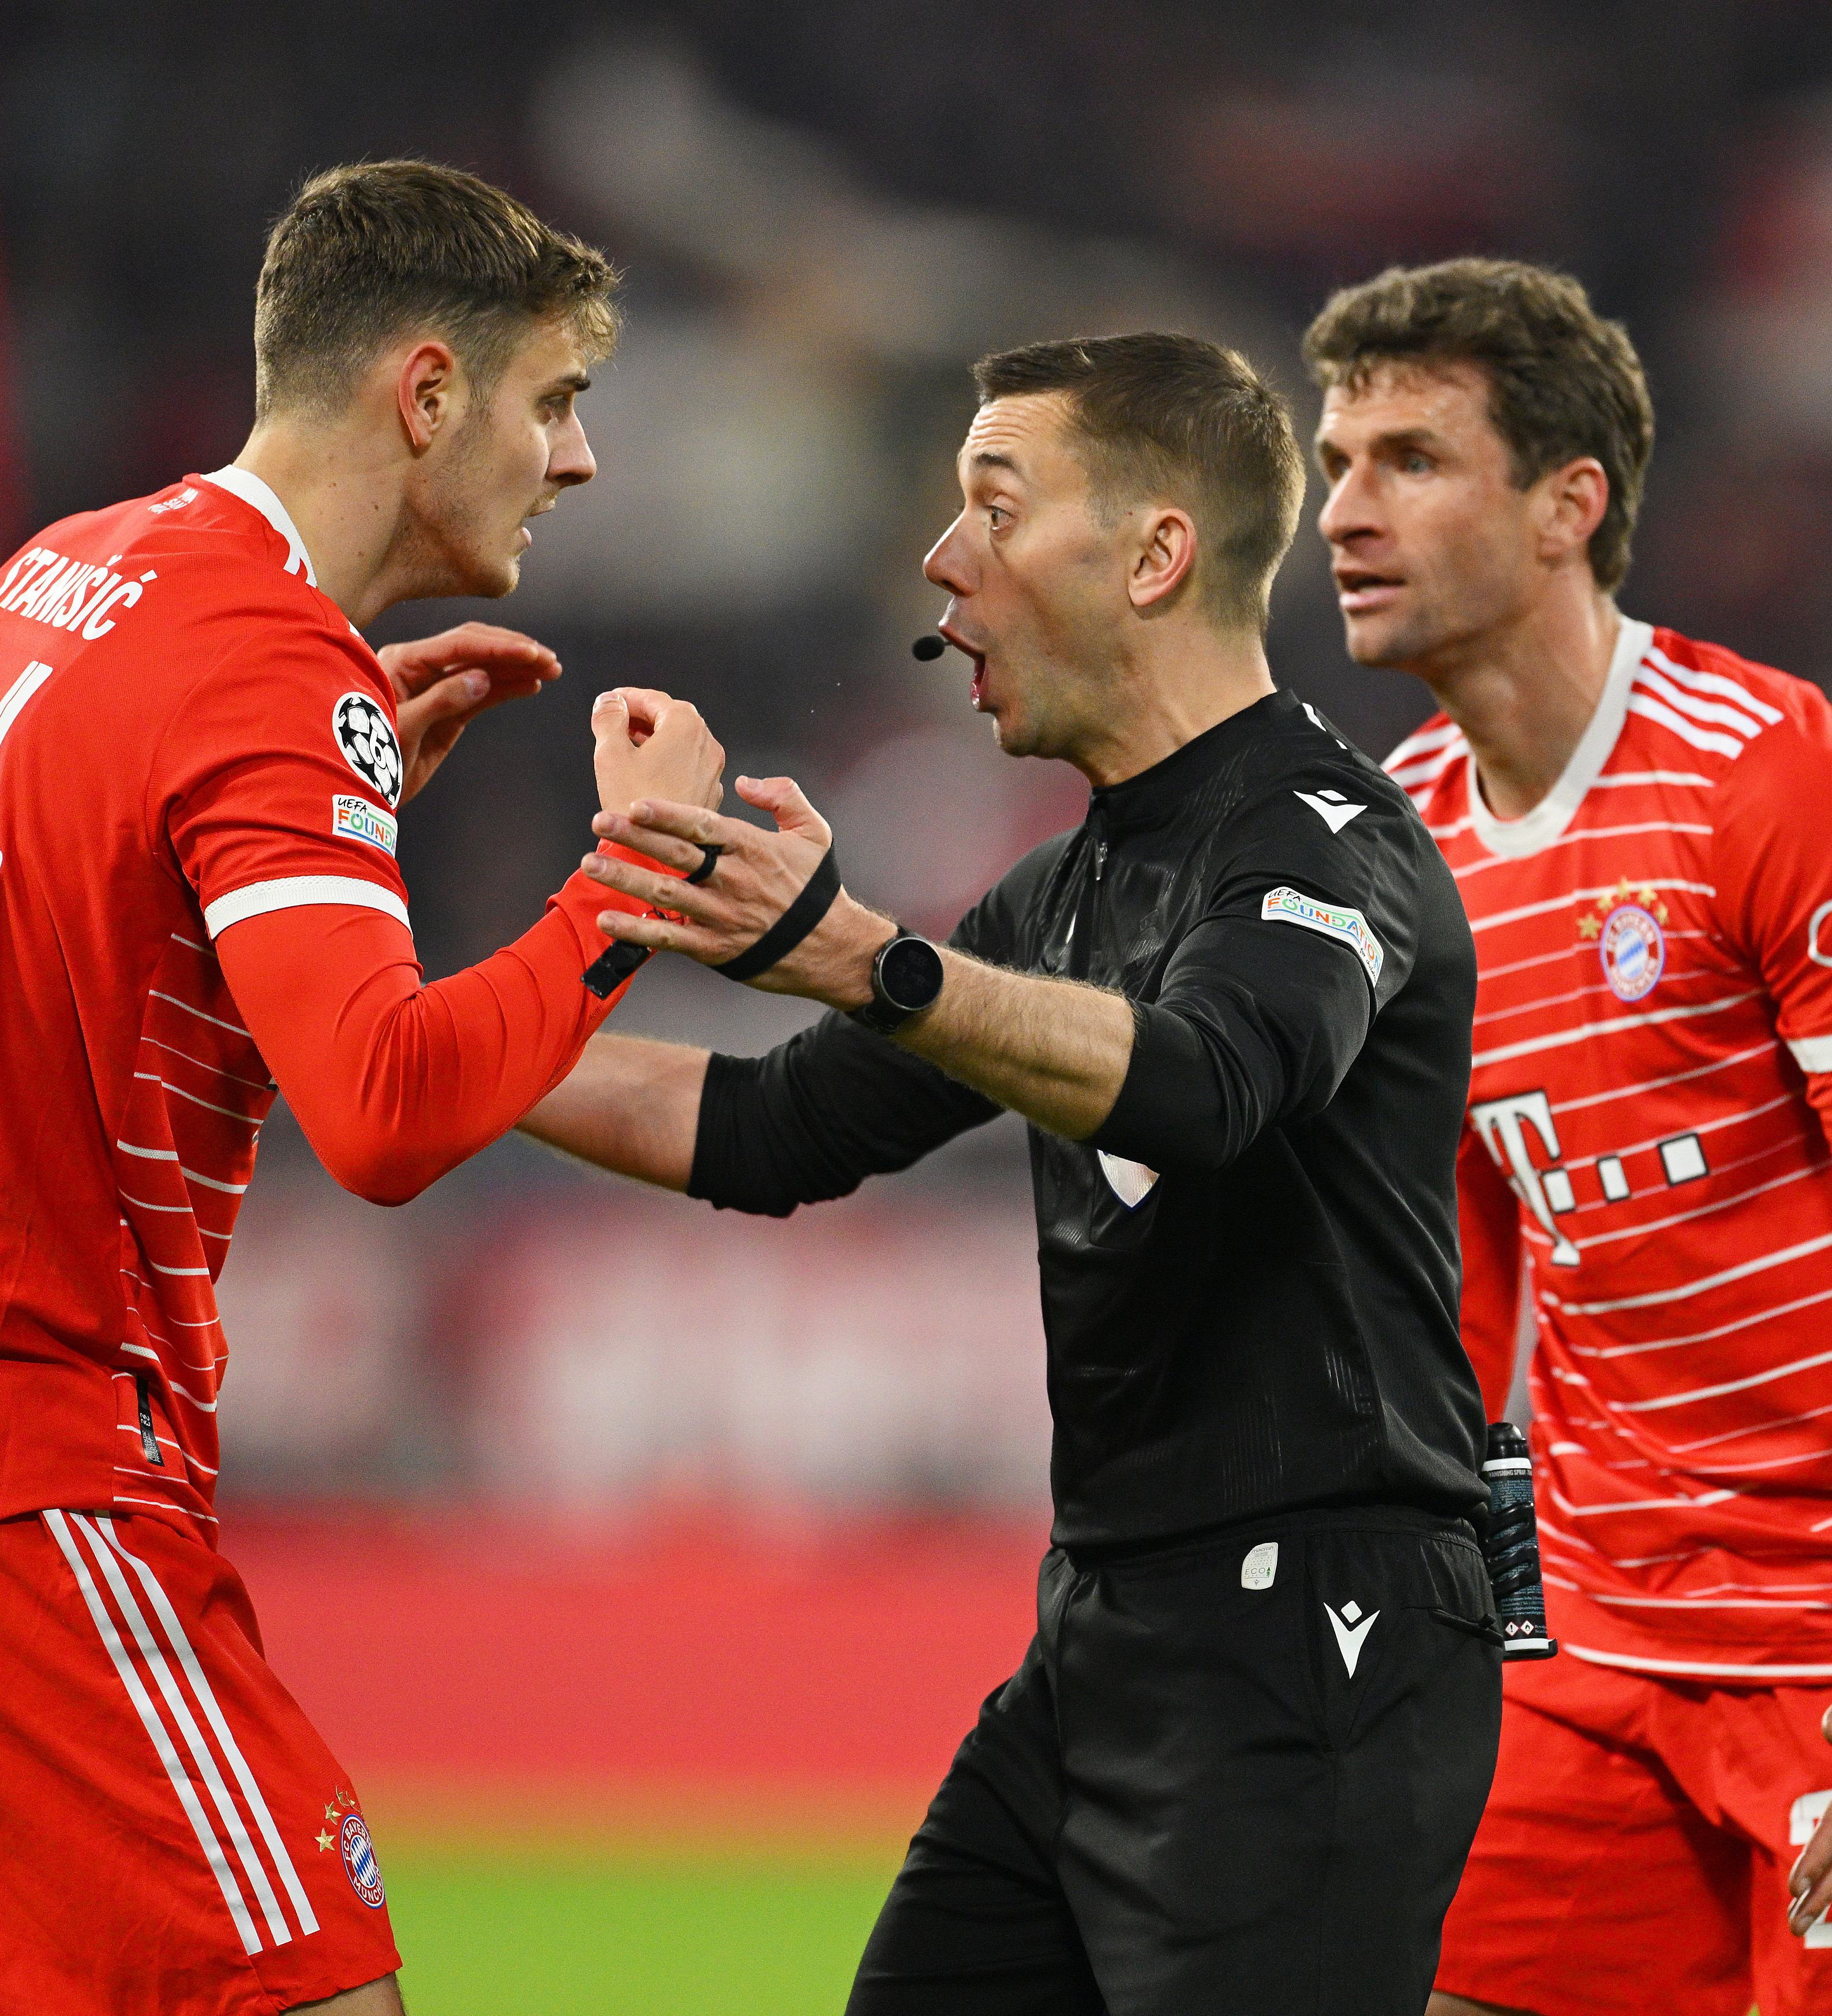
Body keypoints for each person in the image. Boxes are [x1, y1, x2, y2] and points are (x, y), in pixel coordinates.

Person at [0, 160, 721, 2016]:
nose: (575, 462)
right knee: (315, 1998)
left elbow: (82, 934)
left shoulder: (64, 575)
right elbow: (391, 1114)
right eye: (554, 402)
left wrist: (335, 808)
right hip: (7, 1479)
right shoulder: (263, 657)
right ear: (426, 396)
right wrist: (631, 881)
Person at [518, 331, 1502, 2014]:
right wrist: (386, 1027)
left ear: (1154, 553)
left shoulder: (1333, 841)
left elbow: (1209, 1089)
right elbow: (764, 1132)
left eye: (994, 504)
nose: (940, 559)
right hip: (1106, 1637)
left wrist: (861, 961)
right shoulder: (1060, 894)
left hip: (1319, 1641)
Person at [1304, 257, 1832, 2016]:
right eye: (1337, 461)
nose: (1344, 512)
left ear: (1568, 505)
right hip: (1602, 1633)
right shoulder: (1396, 841)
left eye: (1410, 461)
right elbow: (1472, 1265)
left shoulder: (1776, 785)